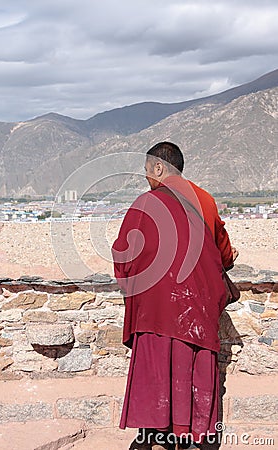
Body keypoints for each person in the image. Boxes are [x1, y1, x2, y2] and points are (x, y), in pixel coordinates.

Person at [112, 142, 239, 450]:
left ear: (158, 168)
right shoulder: (205, 200)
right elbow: (222, 251)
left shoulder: (146, 203)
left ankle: (153, 436)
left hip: (156, 305)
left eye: (146, 171)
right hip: (197, 302)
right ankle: (193, 436)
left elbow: (125, 254)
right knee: (193, 367)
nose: (146, 178)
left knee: (156, 365)